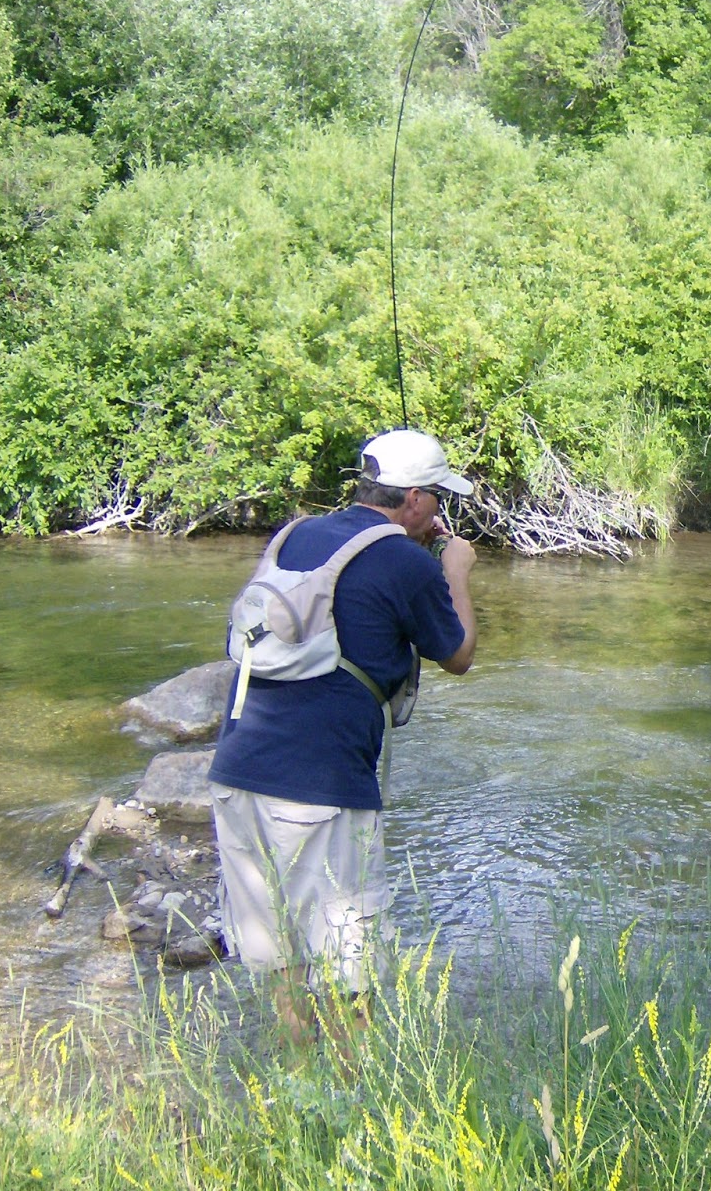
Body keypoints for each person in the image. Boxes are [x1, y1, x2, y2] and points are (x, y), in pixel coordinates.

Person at [207, 428, 478, 1046]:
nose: (440, 511)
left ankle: (302, 1093)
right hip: (320, 793)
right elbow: (458, 654)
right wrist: (454, 570)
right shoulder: (407, 561)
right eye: (437, 497)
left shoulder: (297, 534)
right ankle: (352, 1103)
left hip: (236, 776)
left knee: (283, 961)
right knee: (348, 971)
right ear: (413, 499)